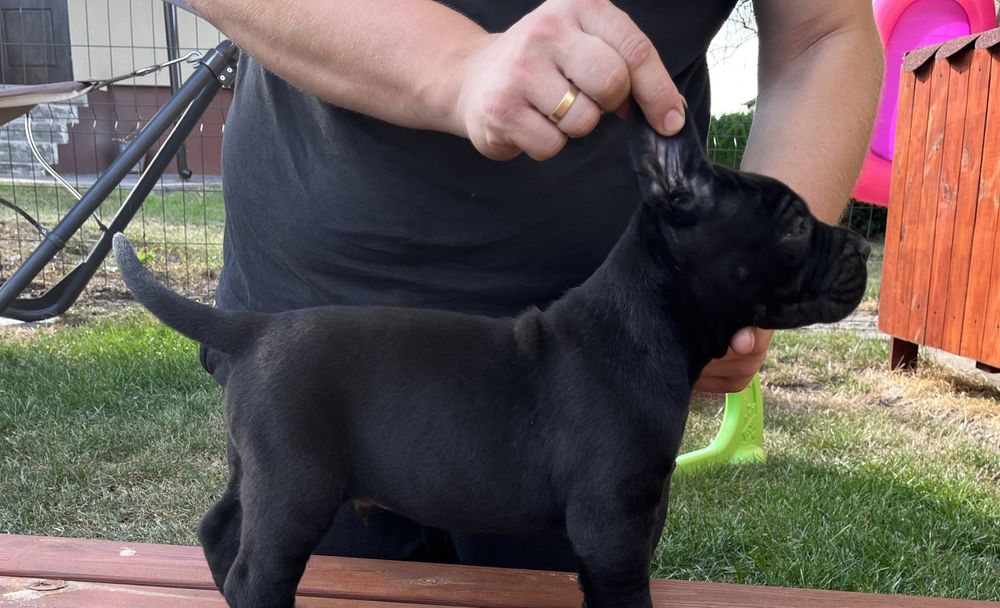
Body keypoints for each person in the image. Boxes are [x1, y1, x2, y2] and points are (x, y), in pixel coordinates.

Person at [188, 0, 883, 568]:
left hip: (601, 375)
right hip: (322, 339)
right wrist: (455, 65)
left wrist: (769, 259)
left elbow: (823, 31)